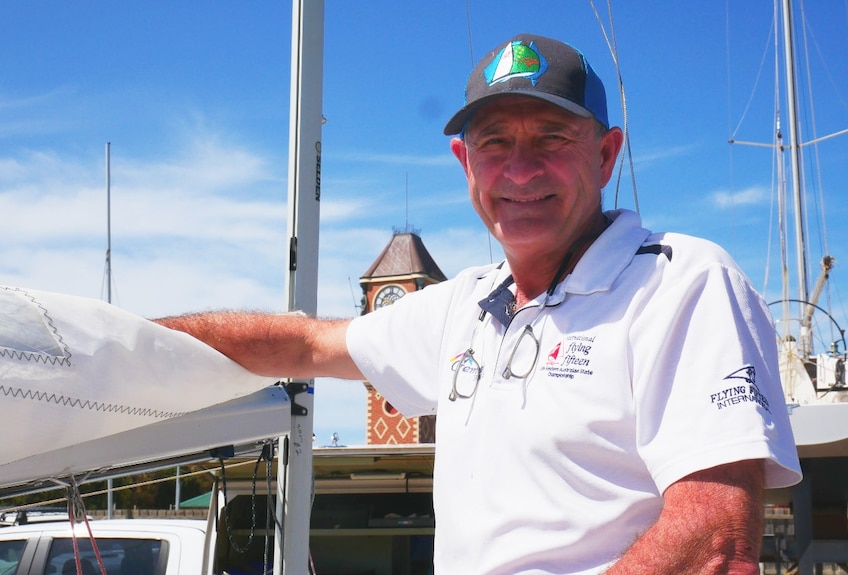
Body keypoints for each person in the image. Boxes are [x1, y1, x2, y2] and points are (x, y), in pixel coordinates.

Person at [157, 34, 802, 574]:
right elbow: (302, 344)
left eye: (552, 138)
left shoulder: (682, 282)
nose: (520, 172)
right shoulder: (464, 305)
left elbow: (716, 536)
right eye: (495, 143)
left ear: (606, 156)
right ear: (466, 163)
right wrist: (97, 341)